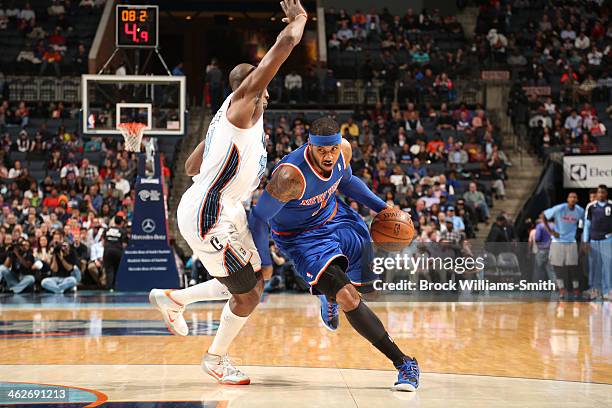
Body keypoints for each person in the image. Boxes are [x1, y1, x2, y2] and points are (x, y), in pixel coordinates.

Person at [149, 0, 308, 386]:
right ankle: (215, 358)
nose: (265, 90)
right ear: (251, 88)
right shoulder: (244, 106)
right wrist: (299, 20)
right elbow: (284, 46)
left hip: (224, 206)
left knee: (255, 279)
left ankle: (176, 300)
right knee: (248, 296)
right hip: (210, 211)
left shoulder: (226, 117)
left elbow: (190, 167)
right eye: (260, 84)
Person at [248, 117, 420, 392]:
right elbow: (257, 218)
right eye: (321, 151)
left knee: (367, 291)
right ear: (310, 145)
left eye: (333, 150)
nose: (329, 156)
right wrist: (265, 263)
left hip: (337, 218)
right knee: (348, 297)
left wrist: (384, 209)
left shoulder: (344, 151)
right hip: (301, 238)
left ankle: (329, 295)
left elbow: (348, 183)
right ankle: (404, 363)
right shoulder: (290, 177)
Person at [541, 192, 585, 299]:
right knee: (558, 267)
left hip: (571, 241)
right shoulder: (559, 208)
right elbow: (543, 215)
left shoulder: (580, 211)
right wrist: (550, 231)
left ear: (577, 200)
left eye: (575, 197)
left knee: (573, 267)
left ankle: (575, 289)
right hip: (557, 241)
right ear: (567, 199)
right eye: (571, 197)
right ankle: (561, 290)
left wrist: (581, 236)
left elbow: (584, 224)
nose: (573, 199)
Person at [583, 185, 612, 300]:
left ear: (606, 194)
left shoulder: (611, 205)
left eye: (603, 192)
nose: (600, 194)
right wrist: (585, 241)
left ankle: (607, 291)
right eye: (599, 192)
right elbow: (587, 225)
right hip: (594, 240)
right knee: (595, 266)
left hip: (607, 239)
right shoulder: (591, 207)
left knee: (607, 266)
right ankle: (596, 290)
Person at [103, 216, 127, 290]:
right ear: (121, 222)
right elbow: (124, 244)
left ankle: (109, 287)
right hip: (117, 251)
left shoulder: (107, 229)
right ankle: (114, 287)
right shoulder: (122, 231)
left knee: (109, 269)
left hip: (107, 251)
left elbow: (103, 242)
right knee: (116, 269)